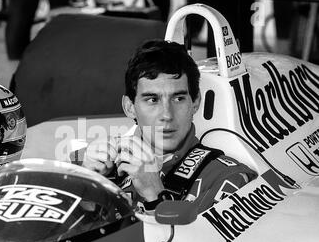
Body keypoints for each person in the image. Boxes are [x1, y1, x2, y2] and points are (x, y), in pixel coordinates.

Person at [81, 40, 257, 214]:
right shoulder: (92, 160)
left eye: (178, 98)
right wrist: (85, 187)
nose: (167, 115)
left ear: (195, 103)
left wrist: (156, 197)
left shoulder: (230, 178)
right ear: (130, 107)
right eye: (152, 100)